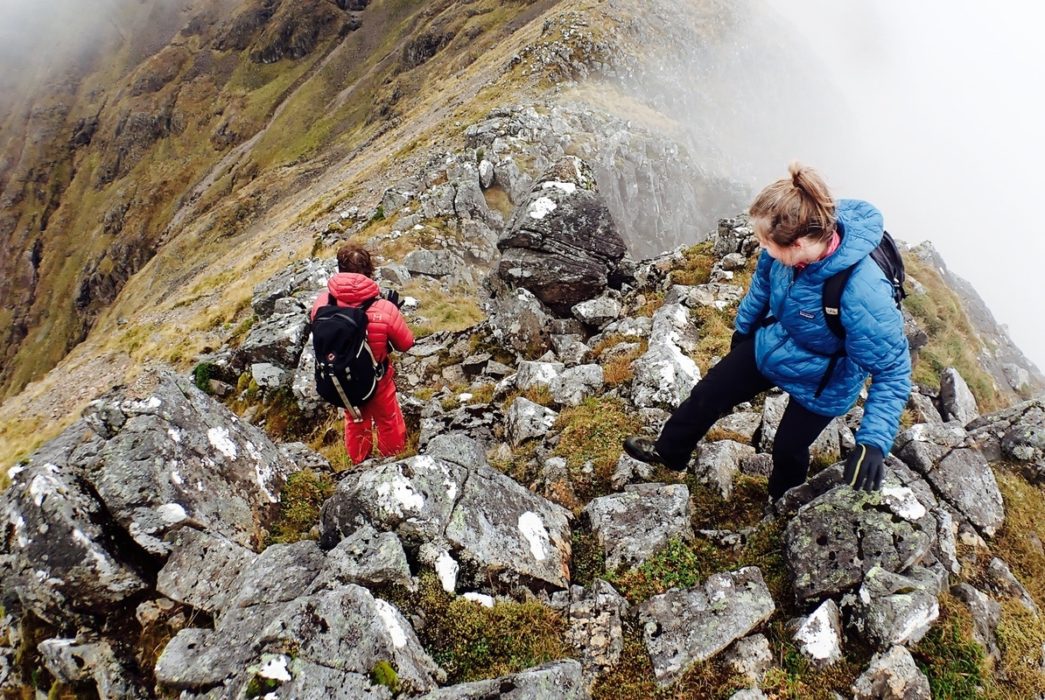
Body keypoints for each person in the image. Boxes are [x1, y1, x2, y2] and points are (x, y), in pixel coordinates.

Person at [623, 163, 911, 499]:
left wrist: (873, 442)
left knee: (788, 447)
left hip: (826, 378)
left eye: (767, 242)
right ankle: (669, 451)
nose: (762, 247)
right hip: (776, 340)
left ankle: (781, 503)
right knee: (710, 392)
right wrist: (743, 331)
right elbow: (761, 285)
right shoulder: (784, 247)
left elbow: (892, 370)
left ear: (799, 244)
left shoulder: (863, 291)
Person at [310, 243, 414, 464]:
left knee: (355, 420)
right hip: (378, 379)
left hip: (343, 378)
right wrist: (393, 312)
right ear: (369, 271)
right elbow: (406, 343)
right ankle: (393, 462)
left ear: (340, 269)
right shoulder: (383, 308)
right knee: (388, 419)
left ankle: (358, 464)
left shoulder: (322, 303)